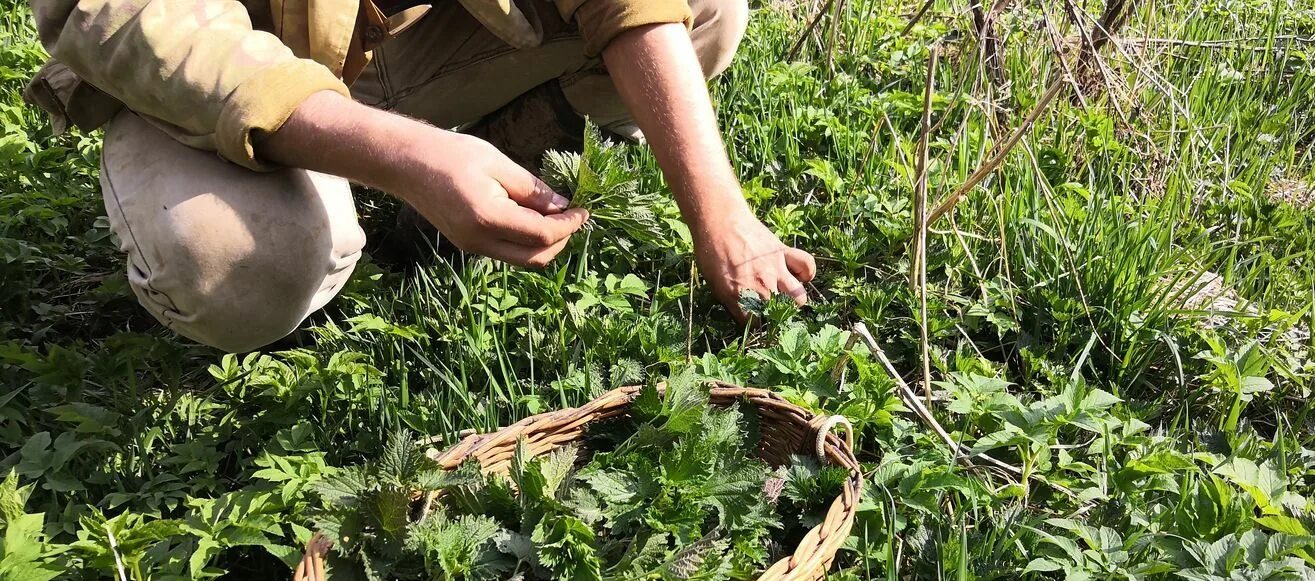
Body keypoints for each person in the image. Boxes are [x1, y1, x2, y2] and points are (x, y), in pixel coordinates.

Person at [25, 0, 816, 351]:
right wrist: (414, 156)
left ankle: (464, 183)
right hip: (219, 69)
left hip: (408, 41)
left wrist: (723, 217)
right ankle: (357, 196)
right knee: (235, 263)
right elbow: (117, 13)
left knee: (703, 10)